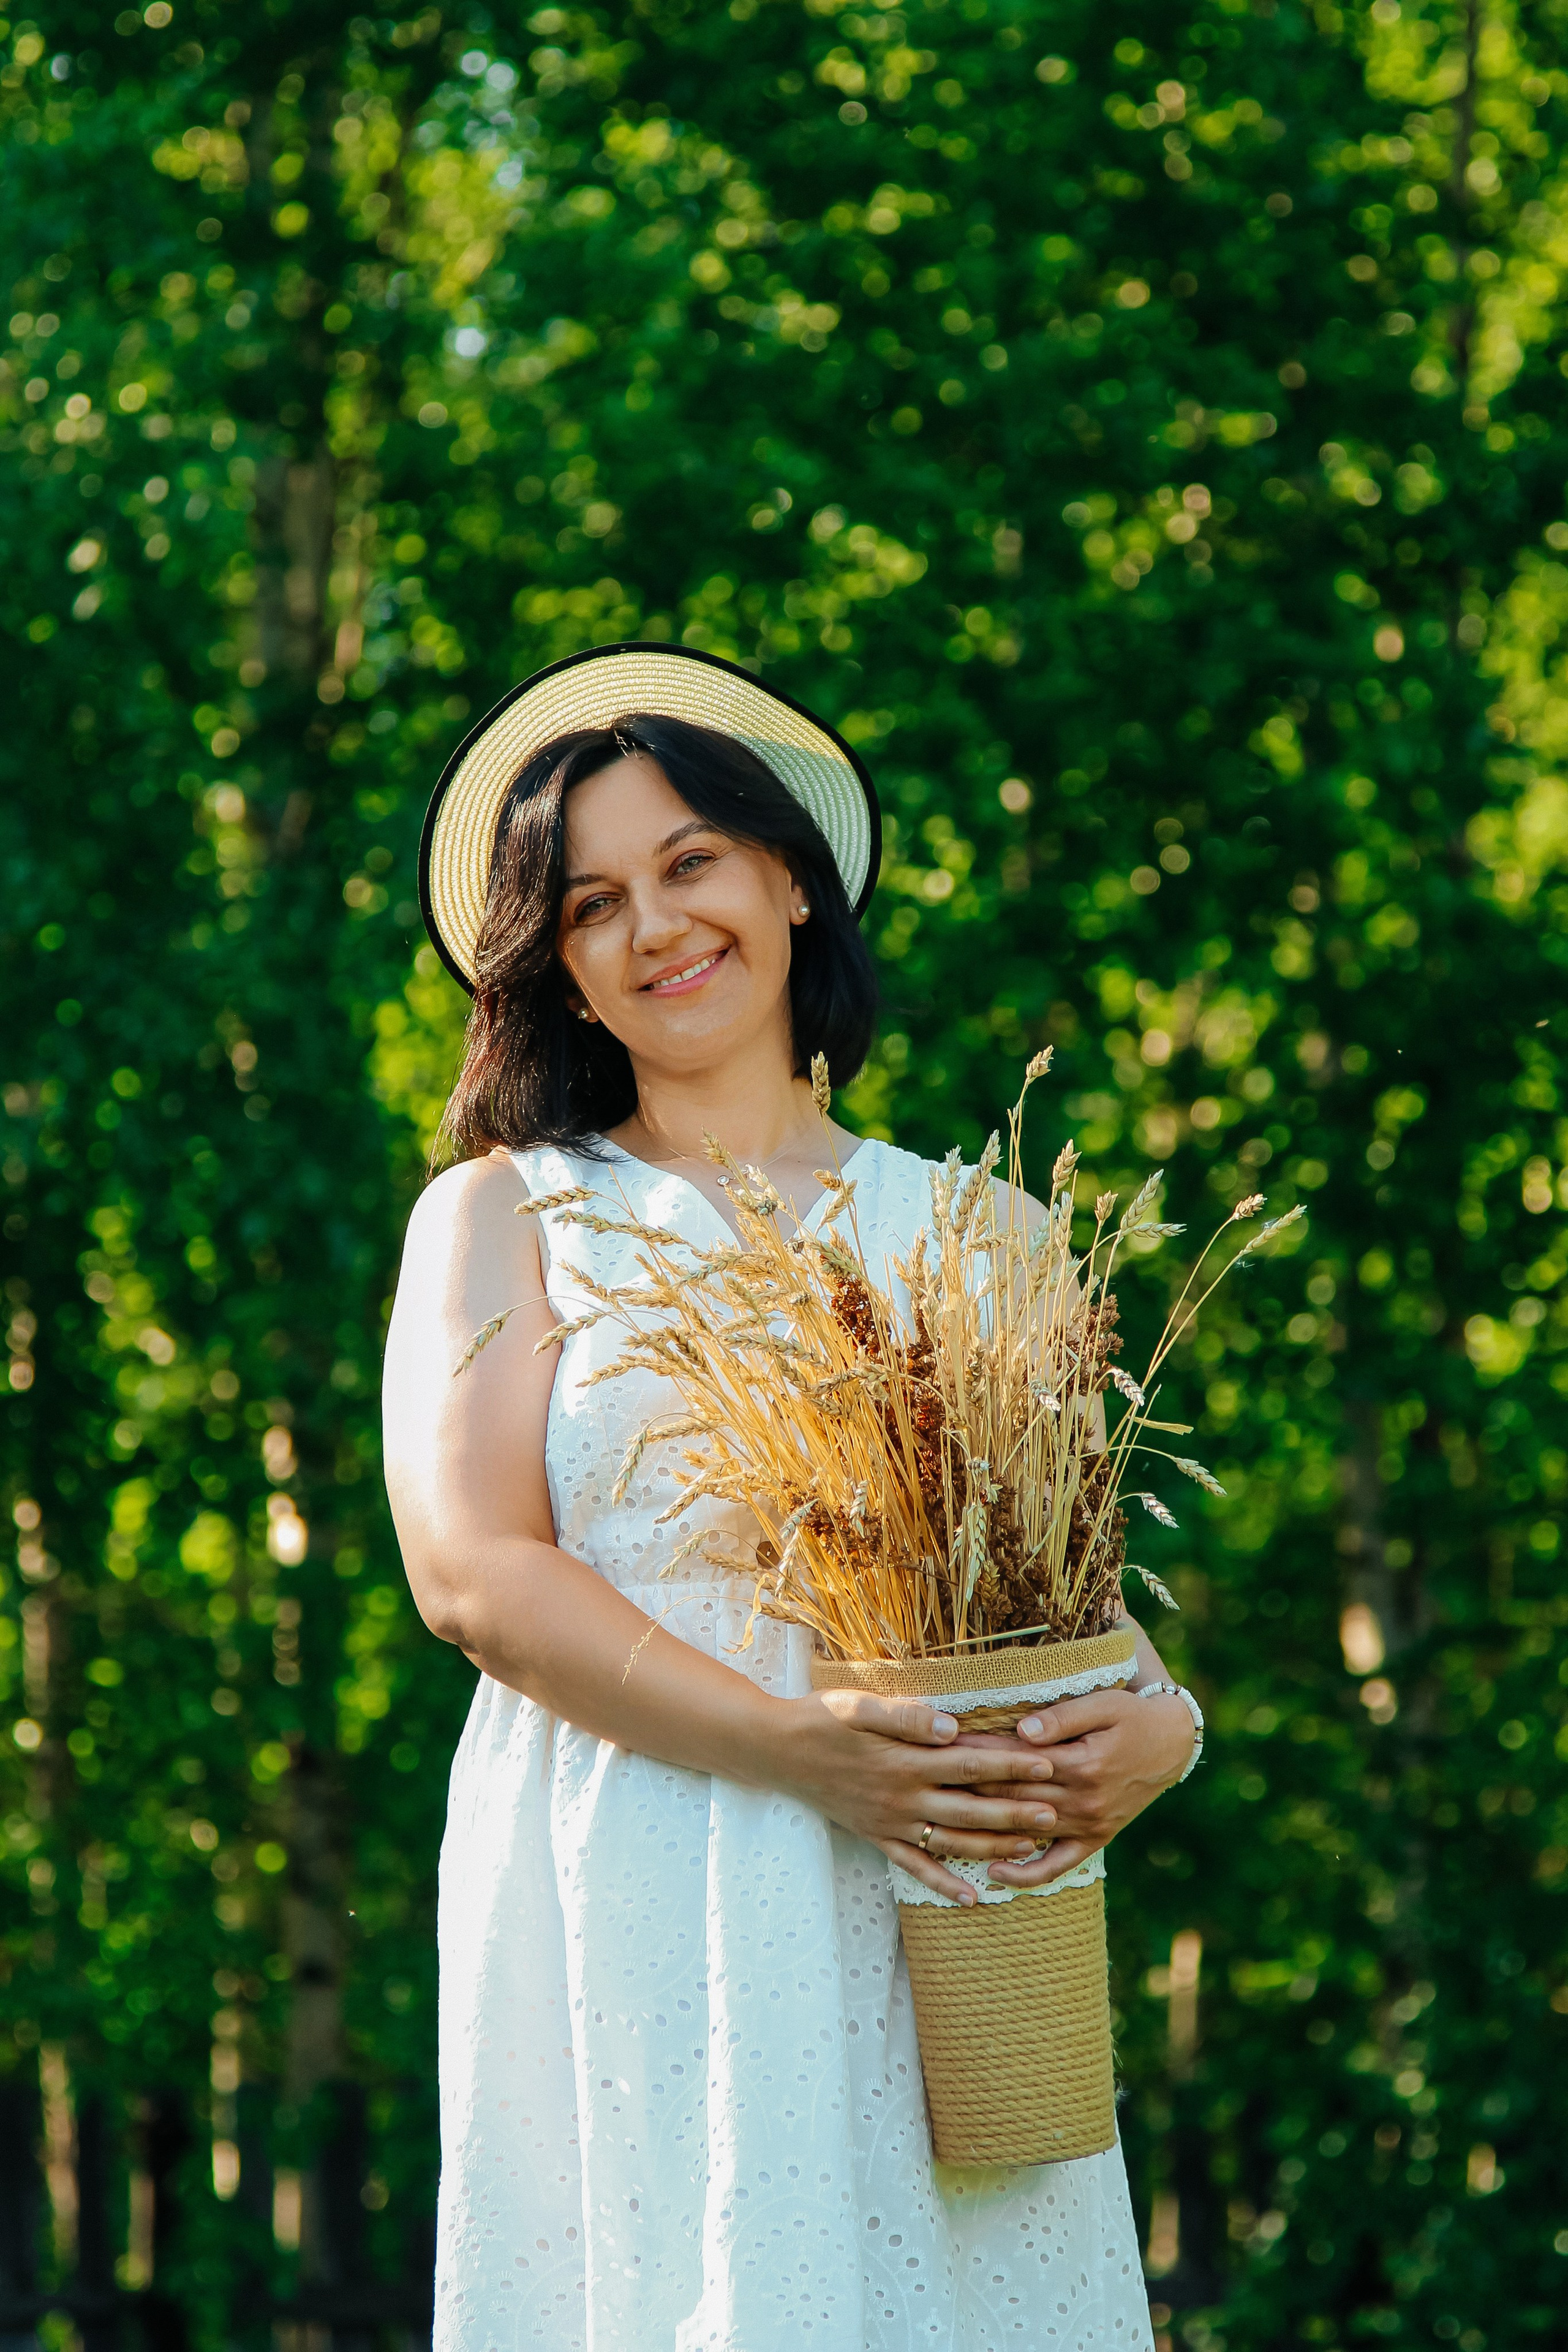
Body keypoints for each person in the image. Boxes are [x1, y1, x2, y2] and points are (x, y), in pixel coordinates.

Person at [383, 646, 1199, 2350]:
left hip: (938, 1924)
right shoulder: (508, 1214)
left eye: (692, 864)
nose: (656, 926)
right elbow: (472, 1575)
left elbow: (1071, 1617)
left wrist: (1163, 1729)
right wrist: (795, 1749)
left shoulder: (987, 1234)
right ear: (564, 977)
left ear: (792, 889)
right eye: (594, 904)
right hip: (641, 1890)